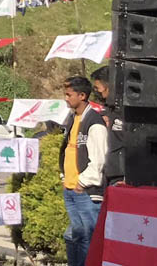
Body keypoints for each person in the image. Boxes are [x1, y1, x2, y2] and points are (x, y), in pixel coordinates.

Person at [59, 76, 107, 266]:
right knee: (73, 237)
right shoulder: (73, 118)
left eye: (69, 95)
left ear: (82, 95)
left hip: (86, 192)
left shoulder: (94, 122)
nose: (66, 98)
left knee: (88, 238)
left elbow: (99, 160)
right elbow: (67, 151)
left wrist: (82, 182)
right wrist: (64, 177)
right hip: (70, 190)